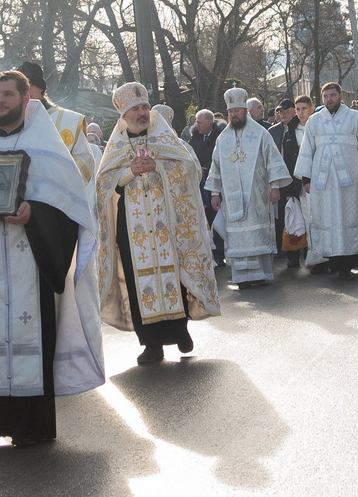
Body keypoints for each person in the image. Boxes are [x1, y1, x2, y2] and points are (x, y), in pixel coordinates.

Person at [0, 69, 105, 446]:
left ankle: (32, 426)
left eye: (8, 95)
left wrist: (34, 214)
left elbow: (67, 208)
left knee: (32, 338)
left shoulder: (46, 147)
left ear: (26, 100)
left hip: (31, 261)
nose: (0, 101)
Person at [92, 83, 221, 365]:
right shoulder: (116, 145)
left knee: (172, 273)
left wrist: (158, 167)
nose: (142, 113)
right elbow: (102, 184)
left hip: (166, 222)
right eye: (135, 109)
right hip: (132, 226)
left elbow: (190, 168)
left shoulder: (164, 137)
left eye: (144, 107)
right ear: (124, 115)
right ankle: (151, 345)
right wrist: (128, 172)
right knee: (139, 282)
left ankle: (180, 332)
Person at [208, 86, 293, 288]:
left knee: (256, 234)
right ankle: (242, 277)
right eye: (230, 112)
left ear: (245, 111)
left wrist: (275, 186)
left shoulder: (260, 133)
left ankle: (260, 274)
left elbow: (273, 160)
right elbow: (215, 166)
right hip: (231, 197)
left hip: (257, 195)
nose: (233, 115)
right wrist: (214, 192)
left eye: (237, 110)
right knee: (237, 237)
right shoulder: (223, 138)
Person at [297, 81, 358, 276]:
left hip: (348, 180)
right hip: (323, 181)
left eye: (333, 95)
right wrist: (306, 179)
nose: (329, 99)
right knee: (326, 217)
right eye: (326, 96)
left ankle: (347, 264)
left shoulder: (355, 117)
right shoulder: (314, 120)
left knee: (348, 217)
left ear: (341, 96)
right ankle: (332, 261)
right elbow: (307, 150)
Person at [15, 58, 101, 183]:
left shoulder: (69, 121)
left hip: (57, 191)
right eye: (19, 89)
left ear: (41, 88)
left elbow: (85, 161)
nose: (24, 93)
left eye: (29, 86)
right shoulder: (10, 121)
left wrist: (55, 176)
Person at [272, 96, 308, 271]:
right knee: (290, 218)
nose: (282, 114)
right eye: (280, 111)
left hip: (303, 179)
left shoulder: (303, 128)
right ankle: (292, 256)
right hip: (285, 181)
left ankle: (310, 254)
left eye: (286, 110)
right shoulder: (274, 131)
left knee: (307, 218)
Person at [187, 105, 224, 266]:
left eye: (199, 122)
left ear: (209, 122)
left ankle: (219, 254)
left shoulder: (219, 137)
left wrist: (206, 168)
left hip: (214, 183)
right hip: (199, 184)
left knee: (216, 220)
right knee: (205, 221)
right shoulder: (194, 137)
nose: (197, 125)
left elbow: (219, 158)